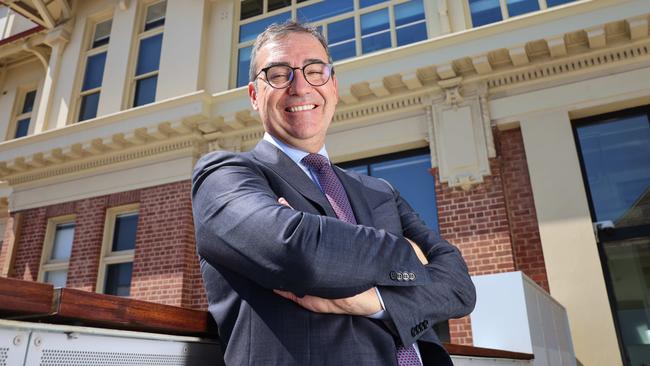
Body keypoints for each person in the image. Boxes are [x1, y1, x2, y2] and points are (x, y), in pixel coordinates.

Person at [191, 21, 476, 366]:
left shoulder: (379, 190)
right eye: (279, 74)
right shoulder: (225, 175)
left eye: (315, 71)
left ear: (333, 85)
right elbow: (296, 251)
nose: (300, 87)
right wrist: (412, 255)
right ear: (254, 95)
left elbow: (460, 287)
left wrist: (375, 300)